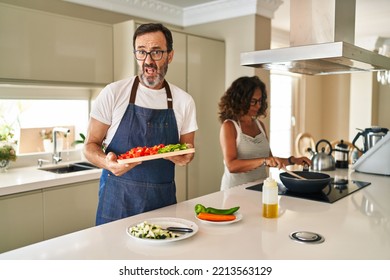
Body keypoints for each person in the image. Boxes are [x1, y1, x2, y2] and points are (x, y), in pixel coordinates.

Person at [84, 23, 198, 225]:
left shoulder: (184, 101)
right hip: (117, 201)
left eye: (156, 53)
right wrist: (107, 163)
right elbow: (89, 146)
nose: (148, 61)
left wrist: (184, 156)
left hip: (162, 202)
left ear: (170, 55)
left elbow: (186, 148)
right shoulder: (114, 93)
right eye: (141, 52)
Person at [218, 76, 311, 190]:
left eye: (260, 101)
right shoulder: (229, 126)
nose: (258, 105)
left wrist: (293, 160)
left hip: (259, 189)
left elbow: (270, 160)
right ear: (240, 99)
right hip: (234, 191)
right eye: (253, 101)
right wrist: (264, 161)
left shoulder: (260, 125)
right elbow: (231, 165)